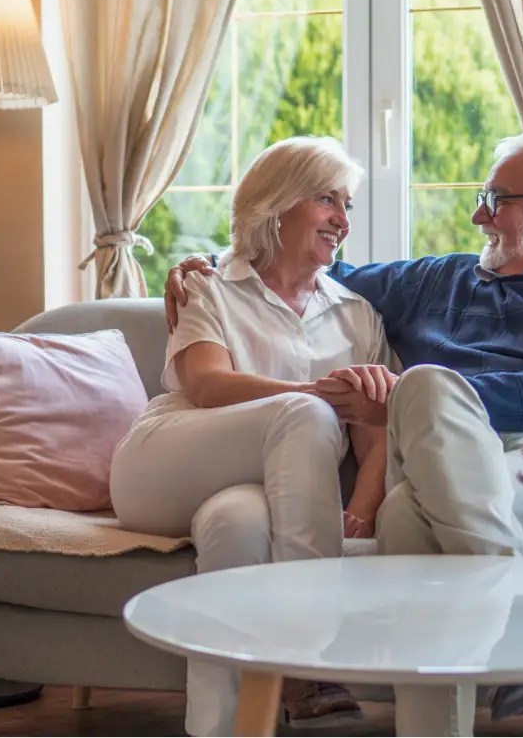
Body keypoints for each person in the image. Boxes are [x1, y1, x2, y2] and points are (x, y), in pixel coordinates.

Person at [165, 132, 523, 736]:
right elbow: (300, 259)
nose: (478, 215)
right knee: (411, 474)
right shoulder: (438, 279)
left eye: (497, 199)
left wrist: (420, 397)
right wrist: (210, 264)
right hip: (435, 463)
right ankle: (503, 658)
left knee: (416, 442)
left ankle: (502, 643)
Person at [110, 136, 399, 736]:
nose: (343, 220)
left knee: (235, 526)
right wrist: (322, 395)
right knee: (308, 415)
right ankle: (308, 661)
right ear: (278, 201)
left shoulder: (357, 316)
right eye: (327, 201)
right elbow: (207, 383)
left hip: (251, 489)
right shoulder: (208, 286)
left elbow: (374, 437)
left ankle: (225, 727)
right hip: (163, 462)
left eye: (348, 205)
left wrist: (363, 507)